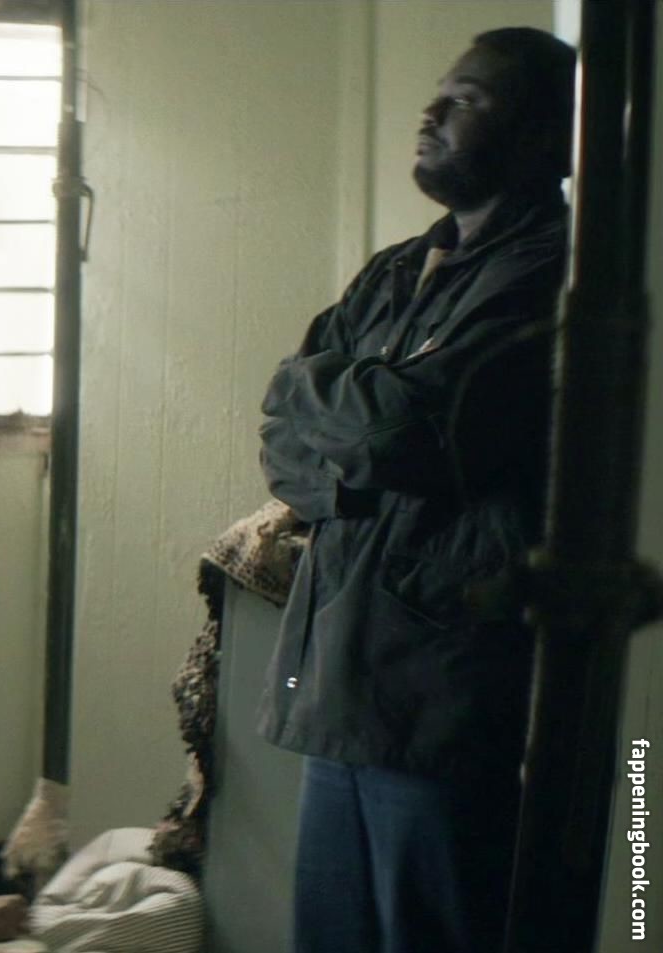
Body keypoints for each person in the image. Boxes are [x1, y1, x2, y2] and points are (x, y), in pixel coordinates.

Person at [256, 27, 575, 953]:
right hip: (341, 684)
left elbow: (413, 432)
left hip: (444, 698)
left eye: (467, 99)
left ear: (542, 136)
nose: (431, 112)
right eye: (439, 91)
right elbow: (281, 432)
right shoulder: (400, 268)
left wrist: (338, 413)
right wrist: (354, 450)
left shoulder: (553, 269)